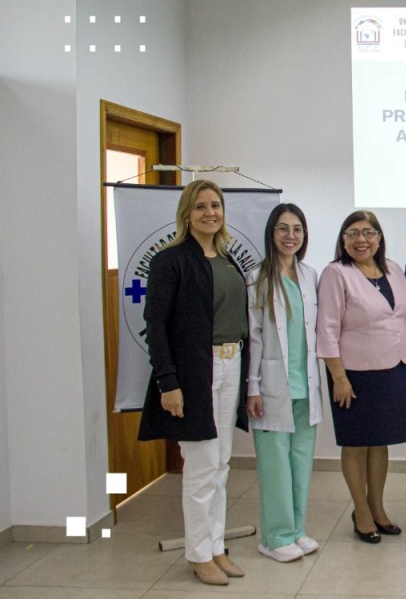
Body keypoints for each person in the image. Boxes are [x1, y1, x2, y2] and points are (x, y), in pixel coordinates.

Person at [138, 179, 248, 586]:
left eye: (215, 205)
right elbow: (156, 323)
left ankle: (216, 546)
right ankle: (199, 554)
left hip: (230, 364)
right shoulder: (171, 260)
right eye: (200, 206)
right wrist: (169, 382)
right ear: (187, 213)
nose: (209, 213)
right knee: (201, 466)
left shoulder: (225, 257)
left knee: (220, 464)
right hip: (195, 373)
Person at [316, 210, 406, 544]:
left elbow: (401, 319)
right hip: (353, 374)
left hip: (392, 369)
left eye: (369, 232)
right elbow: (326, 328)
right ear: (343, 240)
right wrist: (338, 377)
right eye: (353, 233)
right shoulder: (336, 274)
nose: (362, 239)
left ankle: (378, 507)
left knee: (380, 442)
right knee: (356, 444)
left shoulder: (394, 270)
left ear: (379, 237)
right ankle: (361, 511)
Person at [246, 203, 322, 562]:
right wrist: (253, 387)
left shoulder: (310, 275)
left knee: (300, 460)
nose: (290, 236)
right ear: (271, 233)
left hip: (305, 386)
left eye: (297, 229)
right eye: (283, 229)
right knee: (274, 463)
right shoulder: (257, 277)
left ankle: (295, 530)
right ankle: (274, 537)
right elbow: (255, 337)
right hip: (272, 386)